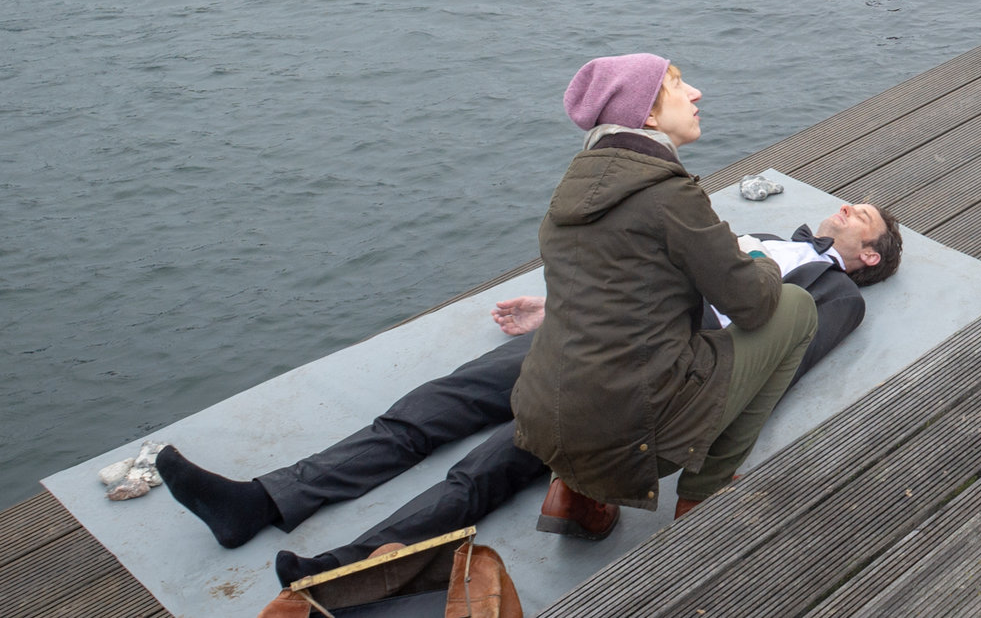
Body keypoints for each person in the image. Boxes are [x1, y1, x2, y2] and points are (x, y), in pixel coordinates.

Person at [152, 205, 898, 583]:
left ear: (867, 256)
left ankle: (349, 569)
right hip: (590, 331)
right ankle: (264, 501)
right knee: (428, 408)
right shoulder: (765, 234)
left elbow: (773, 363)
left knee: (487, 465)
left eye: (865, 215)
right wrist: (556, 309)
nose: (848, 205)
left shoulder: (834, 294)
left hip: (642, 371)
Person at [510, 55, 818, 536]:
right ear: (648, 117)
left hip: (541, 415)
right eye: (677, 85)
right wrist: (765, 263)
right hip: (628, 428)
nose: (695, 93)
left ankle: (569, 493)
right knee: (796, 309)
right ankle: (705, 492)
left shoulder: (571, 190)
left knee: (595, 342)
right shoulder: (667, 194)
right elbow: (752, 304)